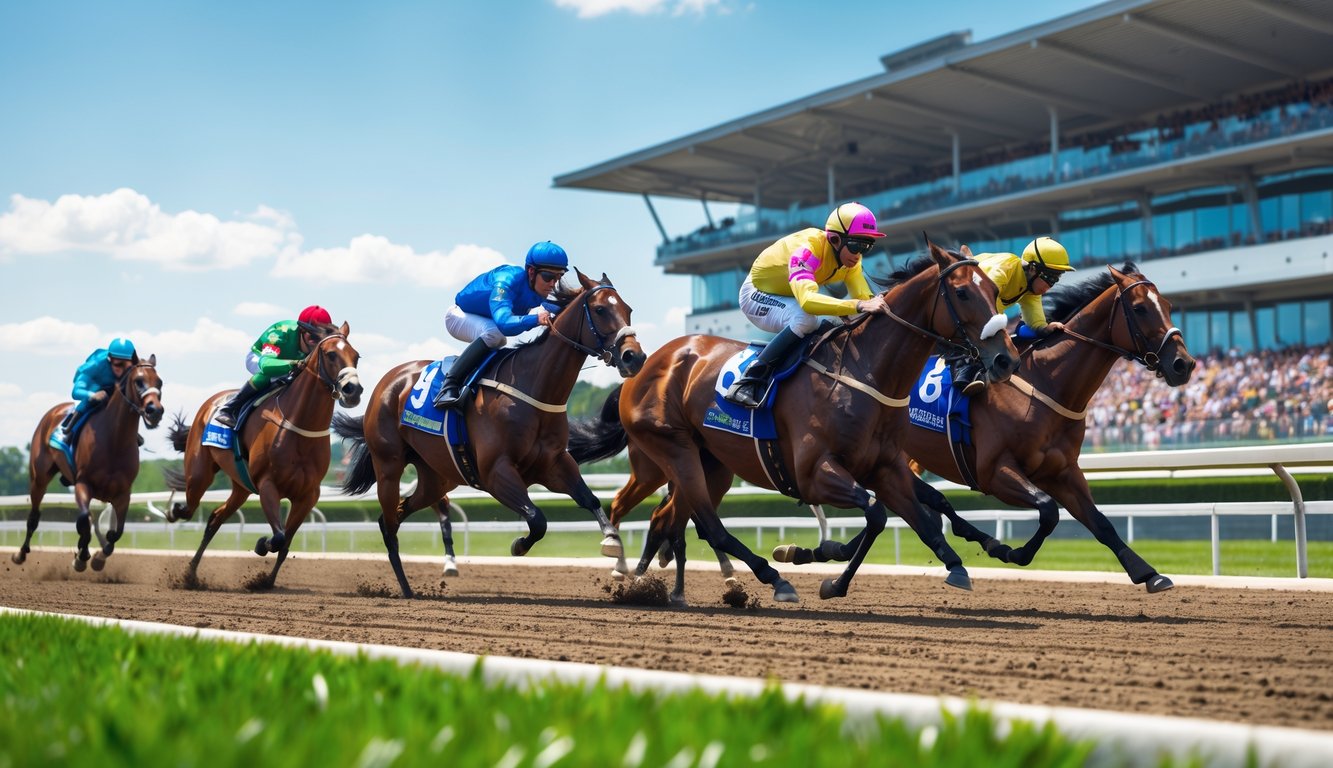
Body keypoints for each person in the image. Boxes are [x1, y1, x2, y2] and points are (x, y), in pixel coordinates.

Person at [724, 201, 890, 408]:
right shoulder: (806, 250)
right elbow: (808, 302)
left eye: (867, 246)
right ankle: (749, 379)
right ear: (835, 239)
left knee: (834, 325)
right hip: (756, 294)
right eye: (856, 245)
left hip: (788, 294)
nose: (858, 254)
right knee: (806, 319)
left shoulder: (851, 261)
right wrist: (858, 305)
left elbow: (865, 299)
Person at [432, 241, 568, 409]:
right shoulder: (507, 279)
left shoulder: (540, 288)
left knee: (497, 339)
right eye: (548, 277)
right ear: (531, 272)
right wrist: (535, 319)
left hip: (487, 322)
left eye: (558, 277)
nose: (552, 283)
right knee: (496, 335)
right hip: (459, 316)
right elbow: (504, 324)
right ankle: (449, 385)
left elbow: (568, 310)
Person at [953, 236, 1074, 395]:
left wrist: (1044, 329)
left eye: (1056, 279)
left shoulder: (1030, 290)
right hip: (964, 296)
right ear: (1032, 269)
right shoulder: (1005, 270)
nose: (1050, 285)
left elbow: (1034, 320)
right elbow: (983, 303)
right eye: (1049, 277)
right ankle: (962, 368)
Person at [214, 305, 336, 428]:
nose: (316, 341)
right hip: (261, 358)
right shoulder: (280, 333)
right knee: (265, 376)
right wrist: (292, 364)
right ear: (302, 330)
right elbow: (266, 365)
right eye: (312, 335)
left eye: (321, 337)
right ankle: (229, 408)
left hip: (293, 362)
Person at [51, 337, 137, 448]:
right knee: (89, 402)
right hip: (95, 385)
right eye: (118, 365)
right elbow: (75, 392)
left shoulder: (131, 364)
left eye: (126, 365)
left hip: (113, 386)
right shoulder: (95, 366)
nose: (122, 370)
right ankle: (68, 431)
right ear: (109, 359)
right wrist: (92, 395)